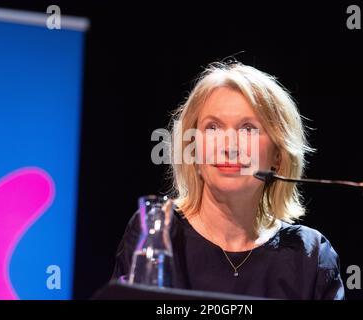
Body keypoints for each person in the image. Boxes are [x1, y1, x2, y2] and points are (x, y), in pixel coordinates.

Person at [112, 61, 345, 299]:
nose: (229, 146)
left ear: (278, 153)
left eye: (247, 129)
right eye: (212, 128)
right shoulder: (156, 231)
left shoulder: (310, 255)